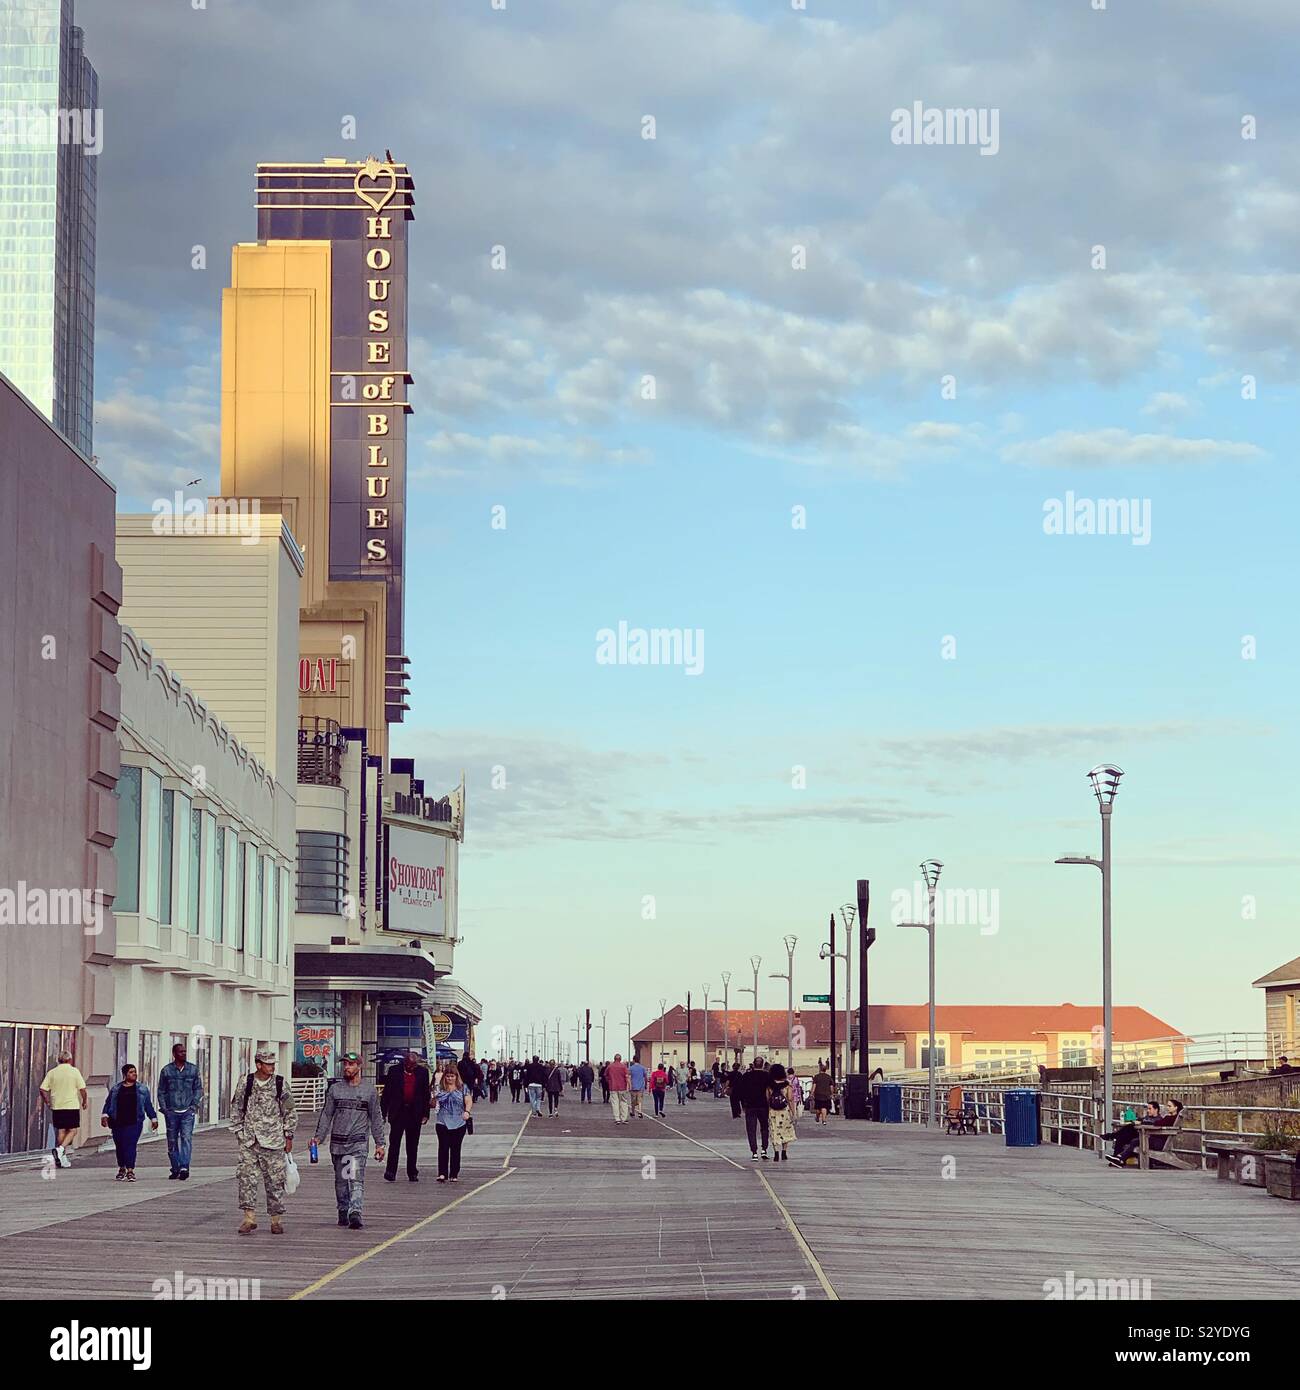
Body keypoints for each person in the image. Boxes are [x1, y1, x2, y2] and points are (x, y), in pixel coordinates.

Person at [230, 1048, 297, 1234]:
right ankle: (249, 1218)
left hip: (274, 1140)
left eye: (273, 1064)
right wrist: (239, 1132)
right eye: (268, 1064)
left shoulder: (280, 1083)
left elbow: (290, 1110)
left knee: (275, 1181)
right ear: (258, 1064)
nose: (271, 1067)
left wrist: (288, 1135)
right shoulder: (246, 1082)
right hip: (250, 1141)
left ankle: (276, 1219)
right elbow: (236, 1107)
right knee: (246, 1179)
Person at [315, 1052, 384, 1229]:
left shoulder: (369, 1091)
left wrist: (380, 1143)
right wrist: (318, 1137)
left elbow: (376, 1117)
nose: (347, 1067)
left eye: (351, 1064)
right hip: (338, 1143)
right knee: (341, 1181)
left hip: (357, 1143)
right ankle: (343, 1209)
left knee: (355, 1178)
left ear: (359, 1067)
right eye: (345, 1064)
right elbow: (326, 1114)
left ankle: (355, 1212)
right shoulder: (335, 1090)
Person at [100, 1064, 159, 1181]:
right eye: (131, 1072)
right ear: (125, 1074)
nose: (134, 1074)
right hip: (117, 1122)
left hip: (134, 1122)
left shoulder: (142, 1089)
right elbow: (108, 1103)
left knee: (130, 1145)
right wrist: (105, 1115)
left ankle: (130, 1170)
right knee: (120, 1146)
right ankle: (121, 1168)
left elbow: (148, 1105)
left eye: (135, 1072)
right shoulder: (116, 1089)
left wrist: (153, 1118)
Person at [157, 1041, 204, 1181]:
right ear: (174, 1054)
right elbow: (161, 1091)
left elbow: (198, 1088)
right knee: (171, 1141)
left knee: (186, 1138)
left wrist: (194, 1105)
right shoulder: (166, 1071)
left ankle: (184, 1166)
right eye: (180, 1052)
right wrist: (165, 1108)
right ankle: (175, 1167)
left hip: (187, 1111)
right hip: (171, 1111)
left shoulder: (193, 1070)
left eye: (184, 1051)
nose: (183, 1054)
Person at [381, 1049, 431, 1183]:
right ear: (405, 1062)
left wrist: (426, 1114)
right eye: (409, 1065)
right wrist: (383, 1113)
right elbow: (387, 1094)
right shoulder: (394, 1071)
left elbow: (426, 1094)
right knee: (394, 1143)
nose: (411, 1068)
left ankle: (412, 1172)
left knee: (412, 1145)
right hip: (398, 1112)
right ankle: (391, 1171)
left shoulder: (422, 1072)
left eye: (413, 1065)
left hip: (414, 1113)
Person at [39, 1049, 87, 1169]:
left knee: (61, 1131)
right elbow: (82, 1089)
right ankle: (60, 1150)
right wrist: (84, 1101)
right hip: (71, 1105)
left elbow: (42, 1089)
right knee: (73, 1130)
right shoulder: (74, 1072)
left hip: (57, 1105)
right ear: (70, 1059)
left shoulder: (52, 1072)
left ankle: (62, 1157)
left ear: (58, 1060)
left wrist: (47, 1101)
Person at [435, 1061, 473, 1182]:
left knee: (456, 1149)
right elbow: (434, 1101)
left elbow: (468, 1100)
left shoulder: (463, 1088)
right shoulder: (440, 1088)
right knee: (443, 1147)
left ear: (456, 1077)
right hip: (442, 1121)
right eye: (447, 1076)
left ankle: (454, 1173)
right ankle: (442, 1173)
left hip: (459, 1122)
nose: (450, 1078)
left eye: (452, 1076)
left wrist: (467, 1111)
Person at [1103, 1100, 1161, 1167]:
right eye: (1147, 1109)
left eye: (1150, 1109)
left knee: (1129, 1129)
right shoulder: (1147, 1117)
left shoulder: (1158, 1119)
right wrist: (1136, 1121)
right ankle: (1116, 1158)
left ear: (1156, 1109)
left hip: (1147, 1137)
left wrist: (1141, 1123)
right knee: (1122, 1137)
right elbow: (1139, 1120)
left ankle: (1112, 1137)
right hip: (1140, 1134)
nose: (1148, 1111)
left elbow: (1154, 1125)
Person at [739, 1058, 771, 1159]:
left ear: (753, 1064)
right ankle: (764, 1149)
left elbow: (741, 1091)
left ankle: (754, 1152)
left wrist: (743, 1105)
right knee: (765, 1128)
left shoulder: (746, 1076)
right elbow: (772, 1089)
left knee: (751, 1129)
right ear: (762, 1065)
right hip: (763, 1106)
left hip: (750, 1106)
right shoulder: (767, 1076)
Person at [768, 1062, 796, 1162]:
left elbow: (767, 1099)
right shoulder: (787, 1084)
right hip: (785, 1111)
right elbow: (790, 1099)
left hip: (773, 1112)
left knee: (774, 1131)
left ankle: (776, 1153)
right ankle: (784, 1152)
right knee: (785, 1130)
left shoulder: (769, 1085)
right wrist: (794, 1113)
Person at [606, 1053, 630, 1124]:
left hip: (613, 1087)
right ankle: (624, 1118)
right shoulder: (623, 1067)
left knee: (615, 1103)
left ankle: (617, 1119)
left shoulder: (610, 1067)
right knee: (624, 1103)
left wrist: (609, 1081)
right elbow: (627, 1076)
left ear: (614, 1059)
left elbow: (606, 1075)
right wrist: (629, 1085)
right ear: (620, 1059)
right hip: (622, 1087)